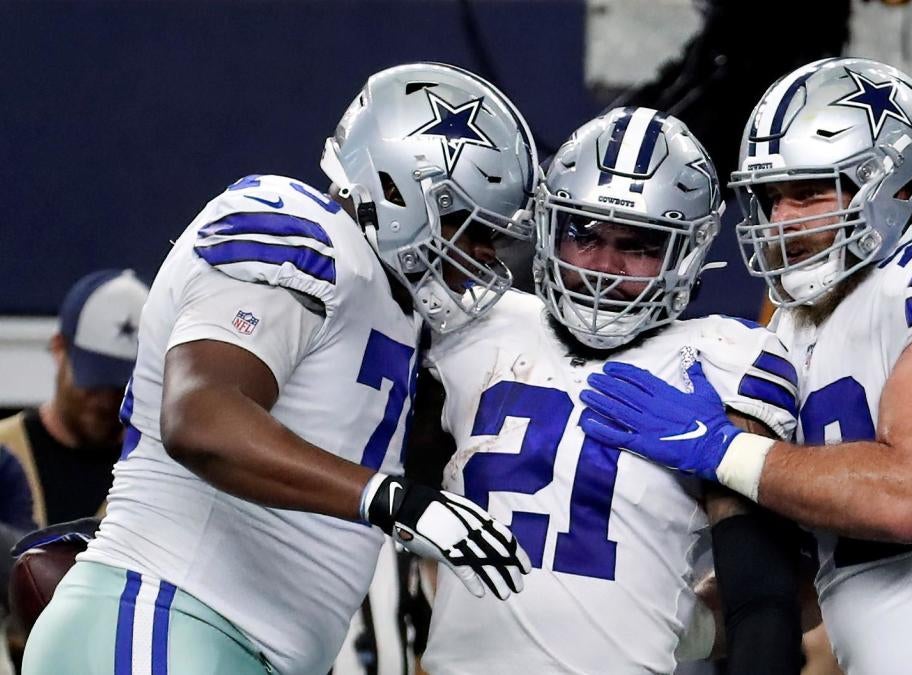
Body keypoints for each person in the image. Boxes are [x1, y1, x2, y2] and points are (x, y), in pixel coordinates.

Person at [580, 58, 912, 675]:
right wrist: (624, 622)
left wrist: (720, 449)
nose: (782, 219)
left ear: (897, 184)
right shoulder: (788, 329)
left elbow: (906, 497)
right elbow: (801, 581)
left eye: (809, 191)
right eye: (769, 196)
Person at [21, 62, 536, 675]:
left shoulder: (393, 305)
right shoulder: (299, 228)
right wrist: (393, 501)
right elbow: (200, 418)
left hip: (233, 645)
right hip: (170, 615)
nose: (479, 256)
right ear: (397, 186)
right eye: (468, 227)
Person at [408, 107, 802, 674]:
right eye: (583, 234)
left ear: (686, 254)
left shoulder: (723, 359)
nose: (604, 267)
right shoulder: (471, 324)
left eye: (639, 244)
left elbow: (760, 595)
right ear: (547, 227)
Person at [0, 269, 148, 672]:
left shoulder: (155, 476)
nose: (107, 399)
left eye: (123, 386)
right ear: (58, 348)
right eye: (96, 380)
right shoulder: (4, 453)